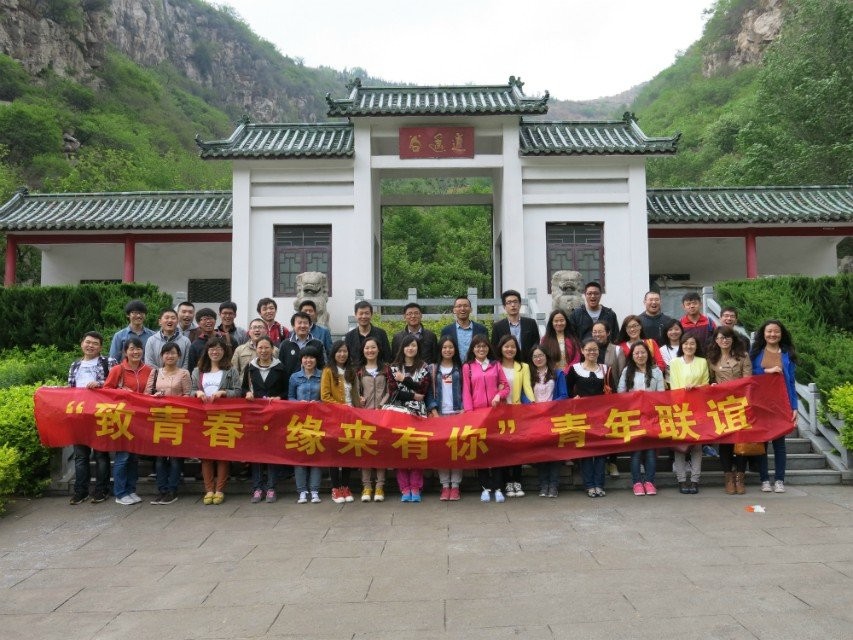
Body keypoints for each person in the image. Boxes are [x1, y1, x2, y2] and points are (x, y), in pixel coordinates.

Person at [191, 337, 242, 505]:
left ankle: (219, 489)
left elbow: (238, 391)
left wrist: (224, 392)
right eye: (212, 349)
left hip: (223, 417)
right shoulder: (198, 370)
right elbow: (191, 391)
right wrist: (197, 393)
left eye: (219, 349)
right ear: (207, 351)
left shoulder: (230, 370)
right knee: (206, 455)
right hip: (203, 417)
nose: (215, 352)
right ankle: (208, 489)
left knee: (222, 454)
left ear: (224, 351)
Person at [68, 331, 116, 505]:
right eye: (88, 342)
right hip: (79, 416)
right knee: (80, 456)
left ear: (100, 347)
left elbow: (116, 385)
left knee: (101, 454)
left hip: (100, 414)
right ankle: (81, 491)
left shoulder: (108, 362)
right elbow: (70, 389)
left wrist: (100, 384)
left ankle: (102, 489)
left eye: (95, 343)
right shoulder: (75, 365)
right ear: (82, 343)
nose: (90, 346)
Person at [103, 336, 151, 506]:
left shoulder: (149, 370)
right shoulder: (118, 369)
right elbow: (106, 390)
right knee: (123, 457)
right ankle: (120, 492)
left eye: (138, 349)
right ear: (125, 352)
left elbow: (150, 389)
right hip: (122, 418)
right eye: (131, 349)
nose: (135, 352)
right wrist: (121, 391)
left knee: (134, 457)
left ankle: (131, 490)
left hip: (139, 419)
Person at [751, 319, 798, 494]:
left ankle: (779, 480)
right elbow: (750, 375)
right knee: (762, 444)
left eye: (776, 331)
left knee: (780, 444)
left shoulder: (787, 354)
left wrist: (794, 406)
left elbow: (791, 382)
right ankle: (764, 479)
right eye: (769, 331)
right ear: (763, 334)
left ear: (781, 334)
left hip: (781, 405)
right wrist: (766, 371)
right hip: (761, 404)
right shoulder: (756, 353)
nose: (773, 334)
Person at [243, 336, 290, 503]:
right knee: (256, 452)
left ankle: (271, 487)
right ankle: (257, 487)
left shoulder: (280, 367)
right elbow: (243, 388)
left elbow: (287, 391)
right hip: (255, 415)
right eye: (260, 348)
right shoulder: (250, 368)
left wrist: (279, 398)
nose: (263, 351)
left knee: (271, 451)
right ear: (256, 349)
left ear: (272, 349)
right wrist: (247, 393)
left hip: (274, 416)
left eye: (266, 348)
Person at [706, 326, 753, 494]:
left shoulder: (743, 356)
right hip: (721, 405)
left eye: (727, 337)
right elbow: (710, 380)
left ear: (733, 339)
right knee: (725, 442)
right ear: (716, 340)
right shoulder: (712, 358)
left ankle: (740, 476)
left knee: (741, 441)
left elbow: (748, 381)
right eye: (720, 338)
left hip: (740, 404)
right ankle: (728, 477)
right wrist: (713, 386)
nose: (724, 340)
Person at [462, 335, 509, 503]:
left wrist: (498, 395)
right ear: (473, 349)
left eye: (484, 346)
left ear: (489, 348)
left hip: (495, 414)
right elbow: (466, 392)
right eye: (478, 346)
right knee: (480, 451)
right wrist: (470, 414)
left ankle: (498, 487)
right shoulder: (467, 367)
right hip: (477, 415)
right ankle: (485, 487)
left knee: (496, 451)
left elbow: (506, 386)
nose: (481, 349)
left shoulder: (496, 365)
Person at [566, 338, 615, 498]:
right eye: (588, 349)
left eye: (594, 349)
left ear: (598, 351)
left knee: (600, 451)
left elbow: (613, 393)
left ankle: (599, 484)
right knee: (586, 451)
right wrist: (573, 398)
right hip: (582, 417)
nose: (591, 352)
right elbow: (567, 391)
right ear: (582, 351)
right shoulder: (574, 369)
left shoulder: (606, 369)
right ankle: (589, 485)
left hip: (601, 417)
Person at [145, 342, 191, 505]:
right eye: (166, 353)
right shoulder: (155, 372)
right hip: (159, 419)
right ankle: (162, 489)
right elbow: (146, 394)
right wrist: (155, 396)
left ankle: (172, 489)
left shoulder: (184, 373)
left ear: (179, 356)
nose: (169, 356)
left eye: (173, 353)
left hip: (177, 419)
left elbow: (188, 395)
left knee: (175, 457)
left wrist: (175, 401)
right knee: (159, 458)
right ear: (161, 356)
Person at [387, 334, 431, 502]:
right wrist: (413, 395)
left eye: (413, 345)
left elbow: (423, 391)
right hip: (398, 413)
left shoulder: (424, 367)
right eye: (407, 345)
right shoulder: (393, 368)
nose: (410, 348)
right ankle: (404, 488)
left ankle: (415, 487)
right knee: (400, 450)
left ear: (418, 348)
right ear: (402, 348)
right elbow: (393, 392)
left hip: (418, 414)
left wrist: (404, 380)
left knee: (416, 450)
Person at [617, 342, 664, 497]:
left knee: (650, 451)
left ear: (648, 354)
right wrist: (635, 398)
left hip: (651, 416)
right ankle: (637, 482)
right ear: (632, 356)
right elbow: (620, 392)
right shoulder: (627, 371)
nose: (640, 355)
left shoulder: (656, 371)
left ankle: (649, 481)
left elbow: (661, 393)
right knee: (636, 452)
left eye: (643, 352)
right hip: (633, 417)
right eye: (636, 353)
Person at [320, 340, 361, 503]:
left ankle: (345, 486)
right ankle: (336, 488)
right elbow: (325, 396)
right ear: (334, 353)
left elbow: (355, 395)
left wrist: (359, 411)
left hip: (351, 417)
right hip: (335, 417)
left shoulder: (351, 371)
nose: (342, 354)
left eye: (345, 351)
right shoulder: (328, 371)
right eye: (339, 351)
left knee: (348, 452)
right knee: (335, 452)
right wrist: (342, 407)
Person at [669, 334, 710, 494]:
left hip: (698, 408)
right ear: (681, 345)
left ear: (696, 345)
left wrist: (696, 388)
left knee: (697, 447)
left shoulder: (702, 361)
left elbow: (706, 385)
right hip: (680, 409)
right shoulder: (674, 362)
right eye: (686, 343)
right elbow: (673, 386)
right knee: (680, 447)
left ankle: (694, 480)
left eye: (692, 343)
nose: (689, 346)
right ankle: (681, 480)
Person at [426, 336, 464, 501]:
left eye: (450, 347)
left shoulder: (460, 368)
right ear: (440, 349)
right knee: (442, 451)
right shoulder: (432, 368)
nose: (447, 350)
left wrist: (464, 409)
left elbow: (466, 390)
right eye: (444, 347)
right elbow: (428, 392)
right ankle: (444, 486)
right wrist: (434, 411)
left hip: (457, 414)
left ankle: (455, 486)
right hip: (439, 414)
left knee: (456, 451)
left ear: (455, 349)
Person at [497, 335, 534, 497]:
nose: (509, 349)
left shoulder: (523, 367)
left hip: (518, 412)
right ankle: (507, 482)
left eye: (512, 346)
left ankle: (517, 481)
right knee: (503, 448)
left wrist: (533, 405)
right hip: (500, 413)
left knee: (517, 448)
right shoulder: (495, 366)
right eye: (506, 346)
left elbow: (527, 388)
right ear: (500, 348)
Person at [288, 344, 325, 504]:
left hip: (318, 422)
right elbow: (289, 397)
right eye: (305, 357)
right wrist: (298, 403)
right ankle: (302, 491)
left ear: (316, 360)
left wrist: (319, 404)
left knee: (316, 455)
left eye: (311, 357)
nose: (308, 360)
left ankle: (315, 490)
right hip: (299, 422)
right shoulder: (294, 377)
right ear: (301, 360)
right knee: (300, 457)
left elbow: (327, 398)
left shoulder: (323, 376)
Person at [530, 345, 568, 497]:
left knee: (554, 453)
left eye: (541, 355)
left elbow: (564, 395)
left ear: (546, 356)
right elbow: (524, 394)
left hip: (553, 417)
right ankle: (543, 484)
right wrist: (532, 406)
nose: (538, 359)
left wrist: (549, 407)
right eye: (535, 356)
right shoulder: (529, 374)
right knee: (540, 453)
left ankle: (553, 485)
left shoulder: (558, 373)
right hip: (536, 419)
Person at [356, 337, 391, 502]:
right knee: (366, 451)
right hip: (365, 416)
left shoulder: (386, 369)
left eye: (373, 347)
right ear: (363, 351)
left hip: (382, 415)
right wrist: (360, 399)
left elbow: (390, 390)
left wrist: (382, 405)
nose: (370, 350)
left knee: (381, 451)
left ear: (378, 349)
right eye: (367, 348)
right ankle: (367, 486)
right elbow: (355, 392)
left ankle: (380, 486)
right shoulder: (359, 371)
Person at [591, 320, 625, 478]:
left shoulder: (617, 350)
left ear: (608, 333)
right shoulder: (589, 349)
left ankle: (612, 463)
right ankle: (599, 463)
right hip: (593, 398)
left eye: (600, 331)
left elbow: (622, 373)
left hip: (613, 397)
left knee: (612, 431)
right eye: (594, 332)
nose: (597, 335)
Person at [491, 289, 541, 363]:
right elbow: (495, 349)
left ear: (520, 304)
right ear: (504, 306)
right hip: (506, 364)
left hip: (528, 363)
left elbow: (536, 344)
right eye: (509, 302)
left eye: (515, 302)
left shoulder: (531, 323)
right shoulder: (498, 326)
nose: (513, 305)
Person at [440, 295, 488, 364]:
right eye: (459, 306)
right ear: (454, 310)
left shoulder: (481, 330)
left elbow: (486, 351)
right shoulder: (446, 331)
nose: (462, 309)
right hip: (454, 367)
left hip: (476, 368)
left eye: (465, 306)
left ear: (471, 309)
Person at [345, 300, 391, 367]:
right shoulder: (349, 336)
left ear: (371, 315)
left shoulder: (381, 334)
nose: (364, 316)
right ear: (356, 315)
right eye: (361, 313)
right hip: (356, 371)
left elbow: (387, 357)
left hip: (378, 371)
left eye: (367, 313)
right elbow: (347, 359)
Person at [540, 309, 582, 373]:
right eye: (556, 321)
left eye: (562, 320)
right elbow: (543, 358)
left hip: (570, 374)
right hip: (551, 375)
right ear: (551, 323)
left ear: (566, 322)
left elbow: (576, 359)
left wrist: (566, 372)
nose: (559, 323)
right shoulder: (545, 340)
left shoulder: (573, 339)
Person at [187, 307, 218, 373]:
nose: (208, 321)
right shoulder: (195, 345)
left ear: (215, 321)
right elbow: (191, 368)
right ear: (198, 323)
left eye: (210, 318)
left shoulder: (224, 339)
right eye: (204, 319)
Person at [658, 318, 685, 383]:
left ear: (681, 331)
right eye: (670, 330)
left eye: (676, 329)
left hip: (687, 383)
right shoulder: (662, 350)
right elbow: (667, 367)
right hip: (670, 383)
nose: (673, 332)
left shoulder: (687, 346)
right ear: (666, 333)